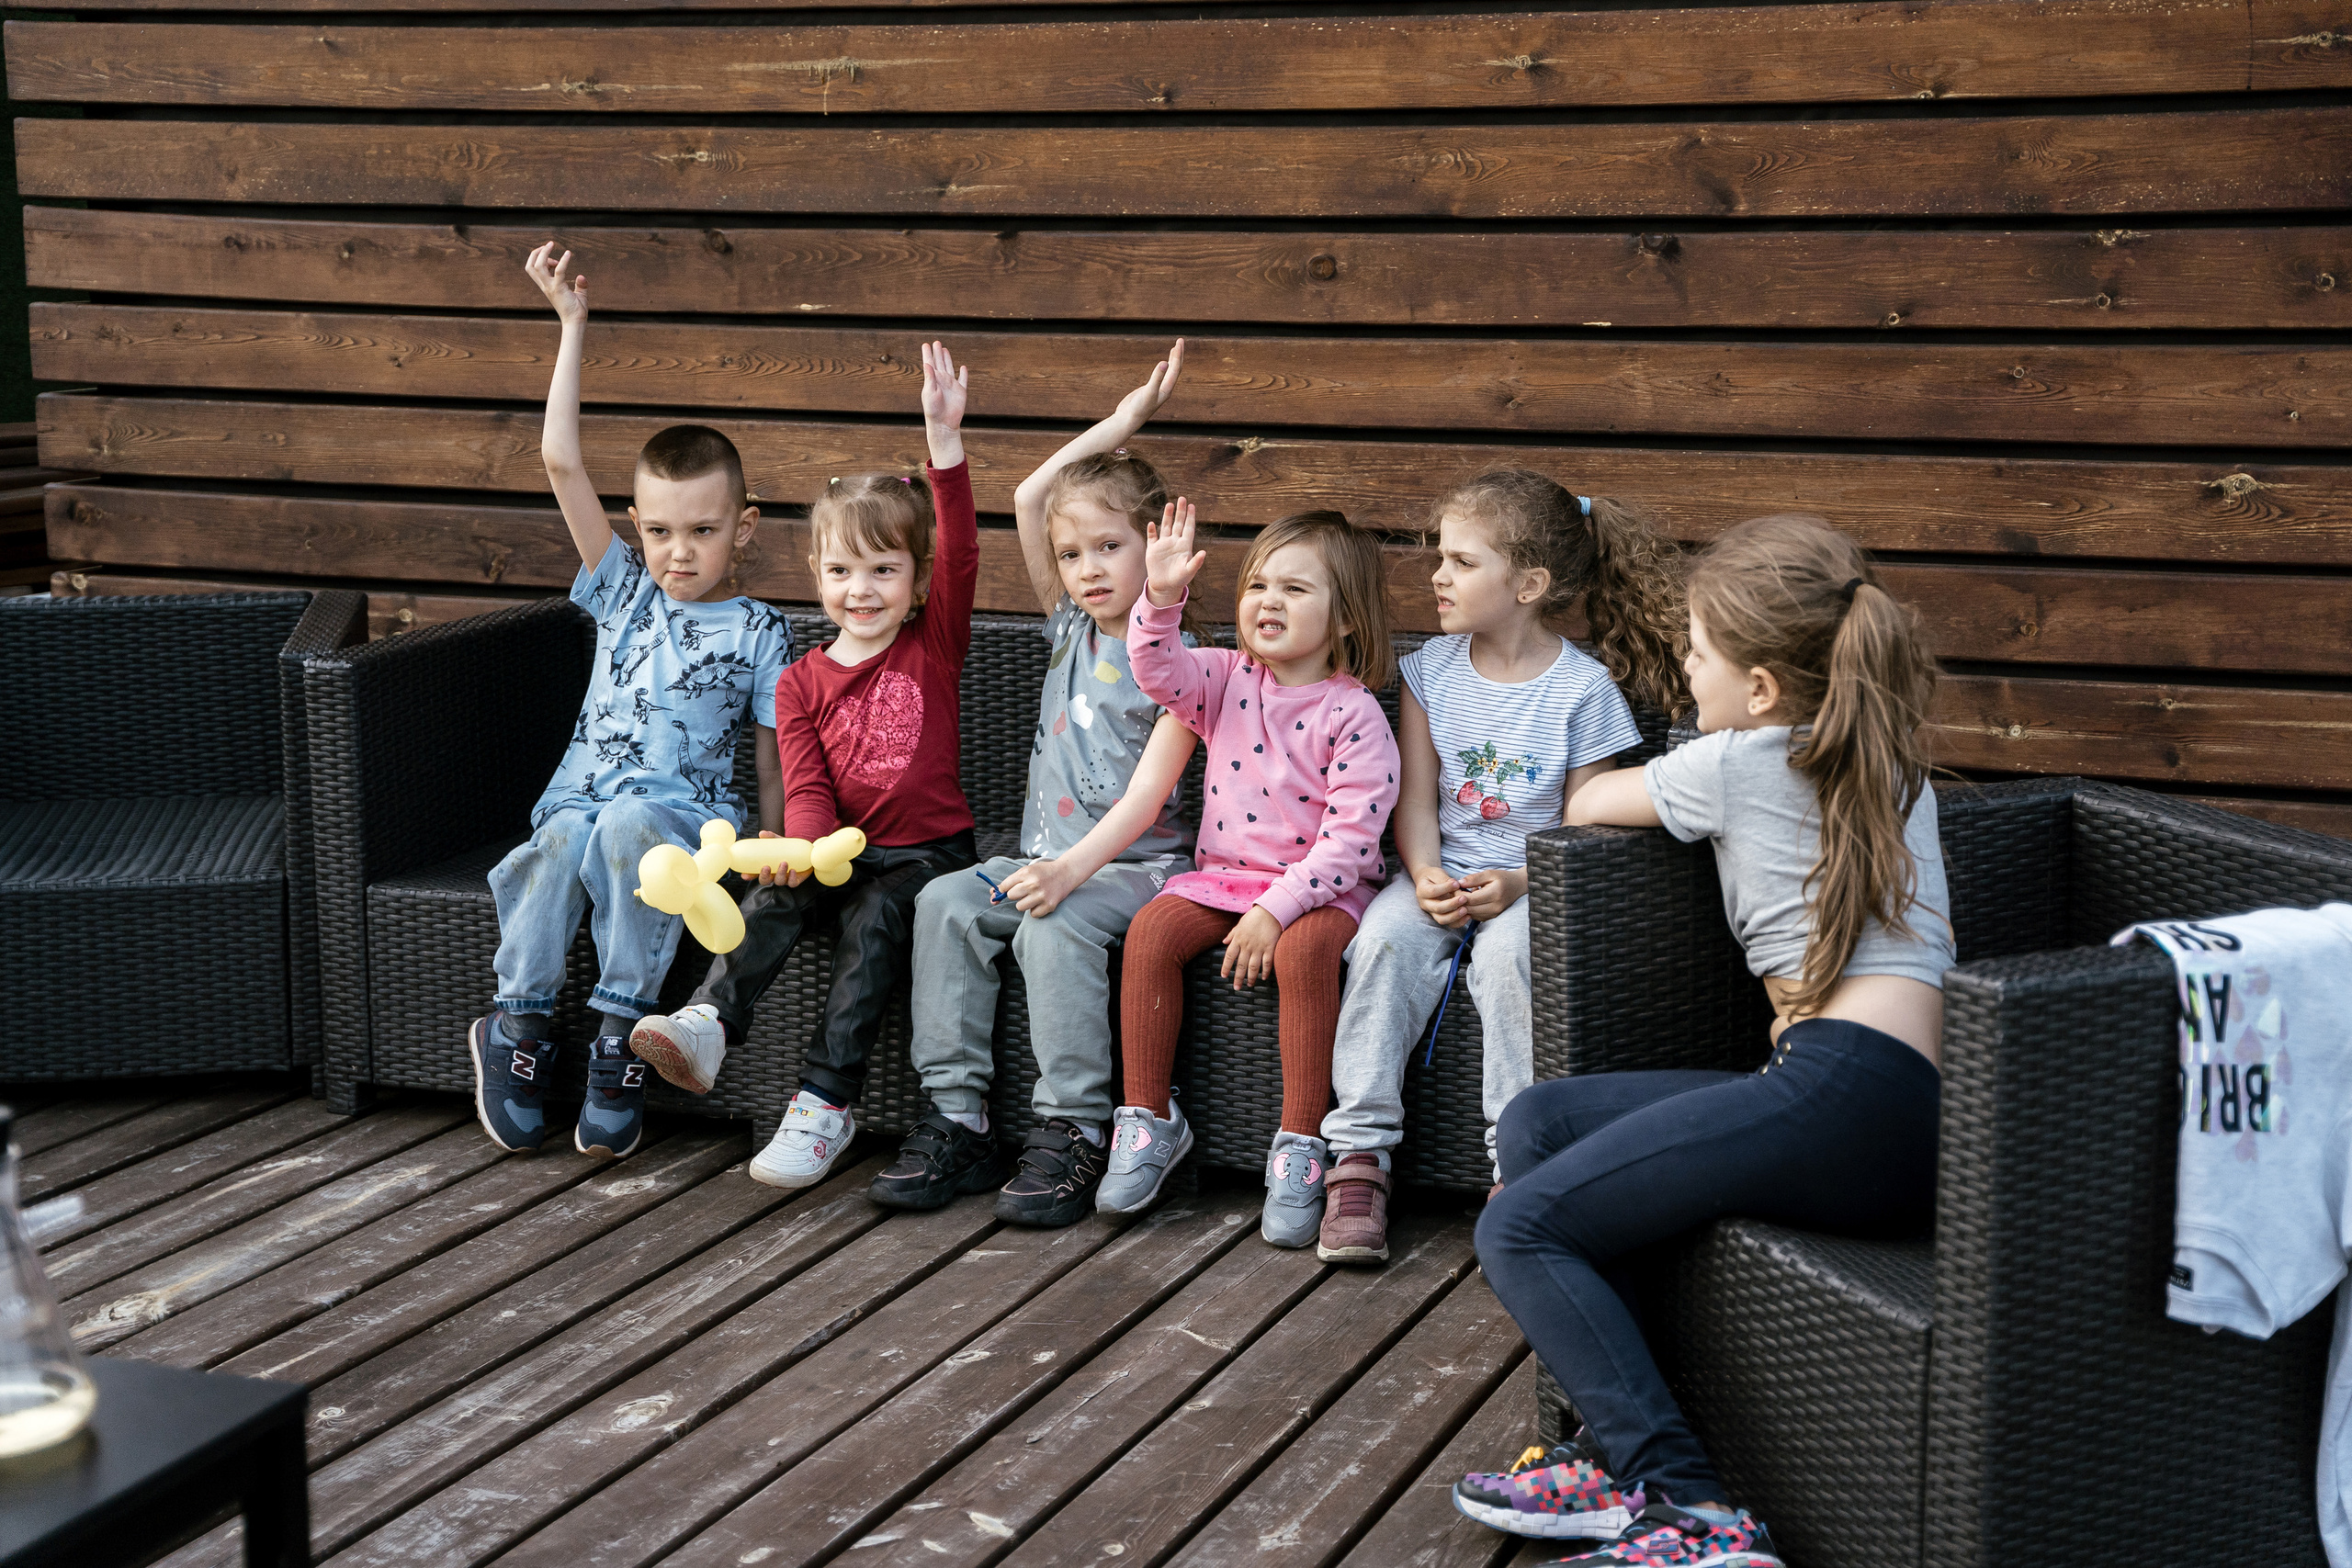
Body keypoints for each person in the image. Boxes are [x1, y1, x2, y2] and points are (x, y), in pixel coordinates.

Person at [1454, 513, 1951, 1567]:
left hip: (1837, 1094)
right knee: (1541, 1121)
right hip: (1913, 1114)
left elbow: (1585, 799)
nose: (1683, 667)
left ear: (1763, 689)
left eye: (1695, 651)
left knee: (1518, 1228)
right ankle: (1601, 1459)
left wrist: (1682, 762)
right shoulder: (1891, 764)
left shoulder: (1734, 761)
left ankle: (1686, 1507)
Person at [630, 342, 980, 1190]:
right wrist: (802, 845)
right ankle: (710, 1021)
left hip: (926, 856)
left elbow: (964, 546)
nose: (860, 589)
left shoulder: (933, 644)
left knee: (875, 927)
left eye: (882, 570)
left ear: (918, 578)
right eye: (840, 570)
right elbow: (808, 783)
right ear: (816, 573)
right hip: (839, 854)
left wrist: (945, 448)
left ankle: (824, 1103)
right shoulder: (798, 680)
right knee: (774, 892)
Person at [469, 242, 790, 1162]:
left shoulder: (760, 629)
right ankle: (518, 1028)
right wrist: (571, 326)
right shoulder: (620, 592)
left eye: (700, 530)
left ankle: (619, 1039)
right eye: (656, 530)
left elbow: (772, 749)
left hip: (685, 823)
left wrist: (770, 845)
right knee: (564, 838)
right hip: (582, 798)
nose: (676, 551)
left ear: (744, 528)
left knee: (624, 831)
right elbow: (560, 463)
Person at [1317, 471, 1686, 1264]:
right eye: (1439, 559)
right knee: (1380, 945)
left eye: (1459, 561)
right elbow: (1415, 802)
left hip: (1533, 885)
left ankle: (1516, 1168)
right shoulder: (1432, 672)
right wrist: (1420, 874)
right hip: (1438, 874)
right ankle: (1359, 1156)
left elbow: (1589, 824)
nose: (1438, 577)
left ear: (1529, 583)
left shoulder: (1584, 692)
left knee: (1517, 959)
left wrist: (1520, 883)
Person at [872, 344, 1202, 1226]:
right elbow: (1027, 498)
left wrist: (1065, 873)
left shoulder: (1179, 663)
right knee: (944, 902)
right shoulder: (1066, 627)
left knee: (1051, 928)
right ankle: (959, 1116)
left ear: (1158, 544)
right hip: (1044, 858)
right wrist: (1121, 427)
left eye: (1110, 546)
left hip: (1135, 872)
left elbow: (1144, 809)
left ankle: (1074, 1129)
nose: (1089, 567)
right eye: (1072, 553)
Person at [1106, 501, 1401, 1247]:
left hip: (1326, 889)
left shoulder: (1354, 713)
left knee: (1305, 954)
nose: (1268, 600)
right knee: (1153, 930)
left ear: (1344, 620)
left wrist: (1277, 909)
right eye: (1257, 584)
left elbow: (1349, 841)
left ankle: (1302, 1145)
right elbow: (1154, 668)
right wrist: (1162, 596)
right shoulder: (1222, 677)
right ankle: (1149, 1121)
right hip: (1225, 879)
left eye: (1296, 589)